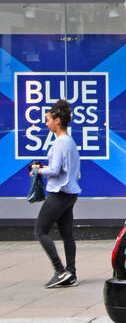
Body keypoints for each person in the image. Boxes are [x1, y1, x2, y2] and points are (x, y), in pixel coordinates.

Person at [30, 98, 80, 287]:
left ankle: (60, 271)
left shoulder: (60, 142)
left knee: (40, 231)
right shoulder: (70, 142)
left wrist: (37, 170)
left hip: (59, 192)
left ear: (57, 120)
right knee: (67, 233)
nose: (46, 123)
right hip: (70, 192)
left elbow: (56, 170)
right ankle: (71, 273)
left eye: (48, 119)